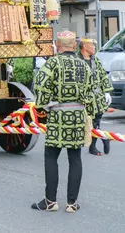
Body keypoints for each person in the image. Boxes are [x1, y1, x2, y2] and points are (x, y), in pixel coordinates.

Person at [32, 31, 95, 213]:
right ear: (74, 46)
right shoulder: (83, 65)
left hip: (58, 115)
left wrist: (42, 106)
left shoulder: (52, 63)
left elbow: (40, 86)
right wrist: (89, 111)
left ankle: (50, 201)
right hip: (76, 116)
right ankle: (72, 203)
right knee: (75, 158)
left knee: (51, 157)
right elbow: (91, 91)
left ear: (57, 46)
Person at [78, 38, 113, 155]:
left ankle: (93, 146)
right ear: (85, 47)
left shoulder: (96, 60)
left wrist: (107, 92)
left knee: (96, 122)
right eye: (92, 45)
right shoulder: (77, 61)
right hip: (84, 98)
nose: (94, 47)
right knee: (85, 122)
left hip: (98, 98)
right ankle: (103, 137)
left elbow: (103, 76)